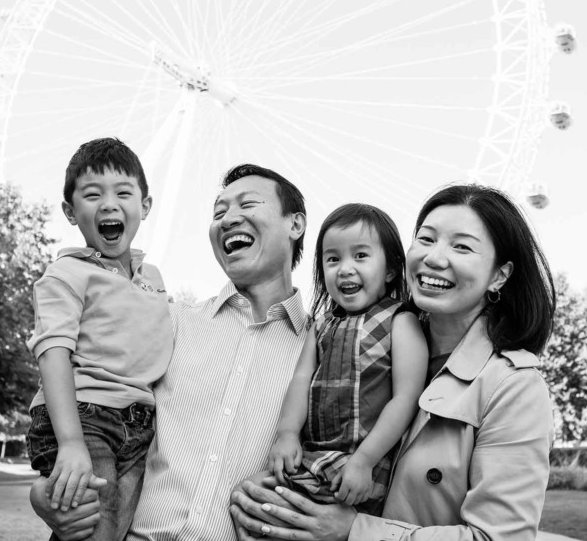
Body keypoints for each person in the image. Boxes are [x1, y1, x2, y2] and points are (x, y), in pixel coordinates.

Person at [230, 183, 557, 541]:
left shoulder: (513, 387)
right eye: (426, 239)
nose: (434, 257)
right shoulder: (346, 333)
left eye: (461, 246)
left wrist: (354, 530)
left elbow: (500, 538)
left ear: (500, 274)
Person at [32, 163, 310, 541]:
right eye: (219, 212)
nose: (229, 219)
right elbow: (83, 394)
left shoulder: (320, 353)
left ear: (295, 224)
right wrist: (42, 492)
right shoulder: (169, 323)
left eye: (248, 205)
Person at [25, 137, 174, 541]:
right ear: (71, 212)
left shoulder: (154, 280)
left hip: (142, 423)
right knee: (96, 525)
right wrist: (70, 442)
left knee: (115, 528)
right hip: (86, 416)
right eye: (93, 195)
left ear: (144, 205)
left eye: (123, 193)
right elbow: (52, 352)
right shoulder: (65, 274)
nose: (109, 204)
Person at [267, 204, 427, 514]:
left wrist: (364, 460)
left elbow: (406, 399)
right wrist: (286, 434)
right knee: (256, 507)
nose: (345, 268)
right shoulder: (321, 324)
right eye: (333, 259)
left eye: (361, 256)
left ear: (392, 269)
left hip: (364, 463)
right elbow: (301, 381)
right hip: (313, 458)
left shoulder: (400, 321)